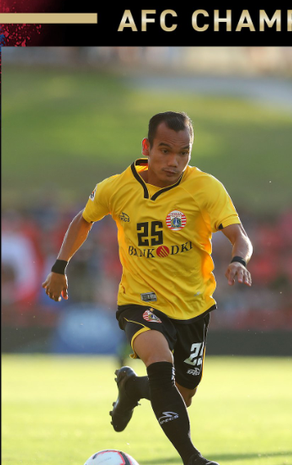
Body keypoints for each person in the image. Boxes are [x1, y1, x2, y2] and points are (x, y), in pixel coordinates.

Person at [41, 111, 253, 465]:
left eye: (184, 153)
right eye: (165, 151)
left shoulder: (205, 187)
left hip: (194, 307)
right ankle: (193, 459)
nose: (174, 162)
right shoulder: (117, 187)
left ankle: (133, 388)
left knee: (180, 395)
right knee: (159, 360)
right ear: (147, 147)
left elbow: (239, 236)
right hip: (139, 302)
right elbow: (84, 219)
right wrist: (60, 267)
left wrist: (239, 260)